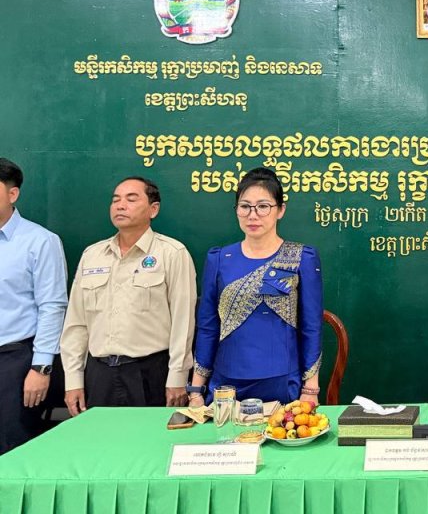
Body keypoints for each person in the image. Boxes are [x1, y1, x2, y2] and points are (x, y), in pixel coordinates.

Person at [61, 177, 196, 416]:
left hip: (149, 372)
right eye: (116, 200)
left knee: (150, 439)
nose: (120, 206)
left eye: (131, 199)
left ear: (153, 209)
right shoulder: (92, 255)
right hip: (99, 374)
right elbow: (76, 323)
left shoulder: (172, 253)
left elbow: (183, 322)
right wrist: (73, 380)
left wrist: (177, 376)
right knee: (100, 439)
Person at [188, 167, 322, 407]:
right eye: (245, 206)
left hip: (282, 383)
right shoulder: (218, 259)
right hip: (226, 385)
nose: (253, 215)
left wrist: (310, 389)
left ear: (280, 210)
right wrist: (196, 390)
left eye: (263, 206)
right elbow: (208, 326)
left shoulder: (301, 257)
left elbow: (311, 327)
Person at [0, 158, 68, 454]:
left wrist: (41, 367)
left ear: (12, 194)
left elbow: (52, 306)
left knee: (11, 449)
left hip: (14, 361)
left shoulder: (40, 241)